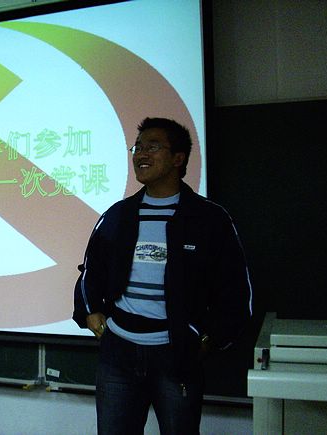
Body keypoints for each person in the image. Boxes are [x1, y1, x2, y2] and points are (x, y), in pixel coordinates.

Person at [73, 117, 252, 435]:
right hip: (118, 353)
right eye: (137, 147)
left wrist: (209, 338)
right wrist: (90, 312)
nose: (141, 154)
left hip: (176, 353)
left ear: (178, 158)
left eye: (153, 146)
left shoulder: (209, 219)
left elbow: (236, 289)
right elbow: (90, 270)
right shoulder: (118, 215)